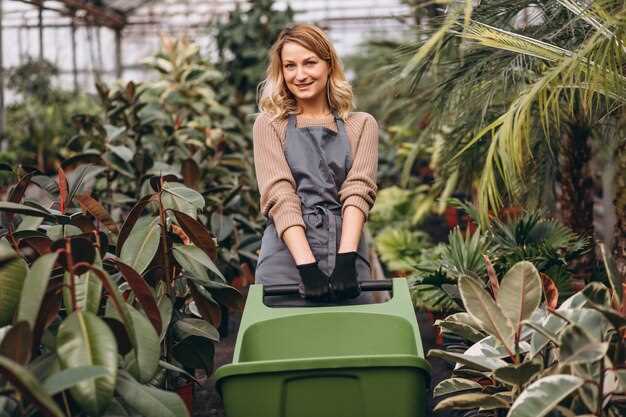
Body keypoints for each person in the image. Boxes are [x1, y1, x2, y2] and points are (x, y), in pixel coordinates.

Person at [252, 23, 379, 305]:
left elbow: (358, 191)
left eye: (309, 63)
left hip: (347, 252)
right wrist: (307, 268)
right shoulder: (269, 125)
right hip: (287, 258)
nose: (300, 75)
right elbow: (280, 195)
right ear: (281, 72)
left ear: (329, 64)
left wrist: (346, 260)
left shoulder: (361, 125)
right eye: (290, 66)